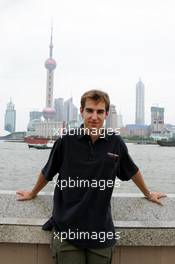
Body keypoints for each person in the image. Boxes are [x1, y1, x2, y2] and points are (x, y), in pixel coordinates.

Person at [16, 89, 166, 264]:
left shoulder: (115, 142)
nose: (94, 116)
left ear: (106, 114)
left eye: (100, 111)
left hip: (100, 232)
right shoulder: (66, 141)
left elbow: (132, 170)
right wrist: (33, 193)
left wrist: (148, 193)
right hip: (67, 230)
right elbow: (47, 172)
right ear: (81, 111)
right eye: (89, 110)